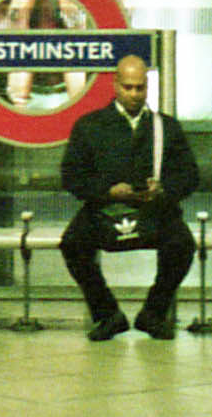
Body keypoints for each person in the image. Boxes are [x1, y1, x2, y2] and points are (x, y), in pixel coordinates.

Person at [56, 52, 199, 341]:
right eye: (128, 87)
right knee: (73, 244)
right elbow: (71, 177)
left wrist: (163, 190)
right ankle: (107, 314)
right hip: (104, 208)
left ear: (148, 86)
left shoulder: (166, 128)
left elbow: (190, 175)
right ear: (115, 85)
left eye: (140, 87)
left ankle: (153, 313)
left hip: (154, 210)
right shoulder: (90, 126)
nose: (134, 94)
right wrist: (106, 191)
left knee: (182, 245)